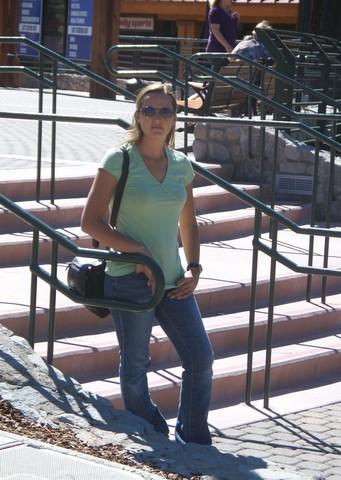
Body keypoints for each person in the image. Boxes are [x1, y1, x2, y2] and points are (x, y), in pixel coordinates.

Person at [81, 82, 214, 446]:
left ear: (175, 119)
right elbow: (90, 223)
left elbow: (188, 223)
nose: (157, 118)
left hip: (173, 280)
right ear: (138, 116)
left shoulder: (182, 165)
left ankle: (195, 437)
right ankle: (152, 432)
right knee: (136, 366)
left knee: (201, 359)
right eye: (149, 111)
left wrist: (194, 267)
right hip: (128, 278)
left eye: (165, 111)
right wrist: (139, 252)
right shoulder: (118, 159)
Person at [206, 0, 240, 71]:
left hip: (229, 49)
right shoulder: (215, 11)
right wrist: (227, 46)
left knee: (222, 73)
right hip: (217, 48)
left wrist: (236, 19)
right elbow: (215, 30)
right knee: (218, 73)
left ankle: (209, 81)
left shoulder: (229, 13)